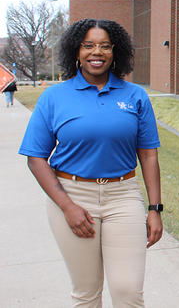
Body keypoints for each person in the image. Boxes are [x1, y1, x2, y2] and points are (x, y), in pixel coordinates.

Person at [18, 18, 162, 307]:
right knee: (86, 292)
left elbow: (148, 154)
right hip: (73, 197)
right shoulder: (54, 97)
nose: (97, 52)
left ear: (115, 52)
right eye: (89, 46)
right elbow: (36, 158)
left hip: (123, 196)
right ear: (76, 51)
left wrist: (155, 209)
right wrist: (67, 206)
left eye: (105, 46)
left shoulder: (135, 96)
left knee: (128, 292)